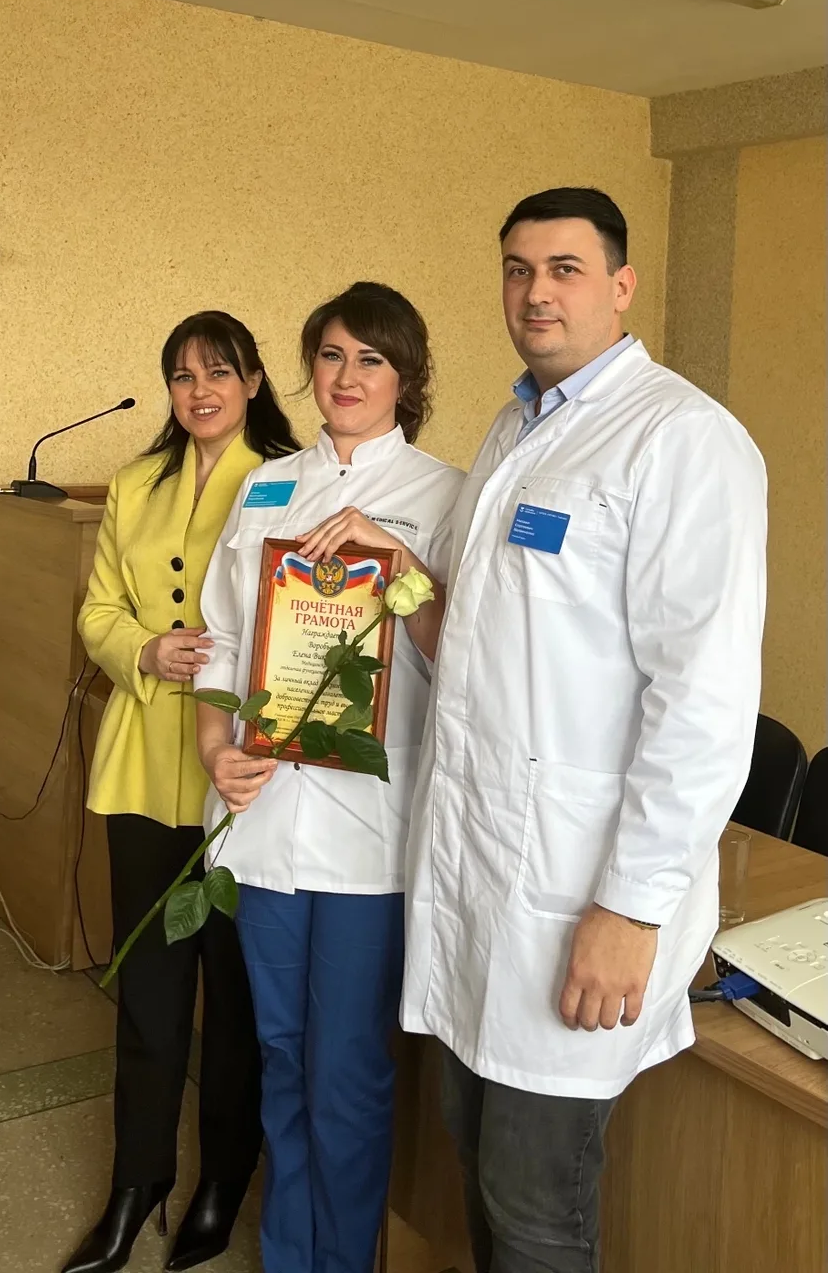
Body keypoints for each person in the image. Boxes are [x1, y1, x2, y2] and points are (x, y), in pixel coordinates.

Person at [401, 187, 768, 1273]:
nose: (535, 292)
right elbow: (480, 644)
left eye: (564, 268)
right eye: (517, 269)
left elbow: (701, 701)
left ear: (620, 285)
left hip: (577, 893)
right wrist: (397, 582)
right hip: (481, 881)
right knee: (477, 1160)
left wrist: (629, 905)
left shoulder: (682, 439)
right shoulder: (513, 427)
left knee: (535, 1207)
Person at [194, 281, 465, 1273]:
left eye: (372, 359)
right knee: (279, 1058)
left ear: (408, 377)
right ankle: (289, 1255)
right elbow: (222, 642)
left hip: (369, 838)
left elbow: (463, 657)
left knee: (345, 1072)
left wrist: (394, 559)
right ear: (308, 367)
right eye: (332, 355)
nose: (348, 377)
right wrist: (215, 748)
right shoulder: (265, 488)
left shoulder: (446, 494)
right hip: (263, 823)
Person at [66, 311, 300, 1273]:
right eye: (182, 376)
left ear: (252, 381)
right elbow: (97, 609)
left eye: (218, 373)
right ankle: (139, 1183)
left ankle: (222, 1181)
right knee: (151, 996)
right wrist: (141, 649)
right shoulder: (136, 482)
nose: (200, 392)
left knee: (236, 1001)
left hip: (245, 773)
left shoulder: (290, 476)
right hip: (141, 766)